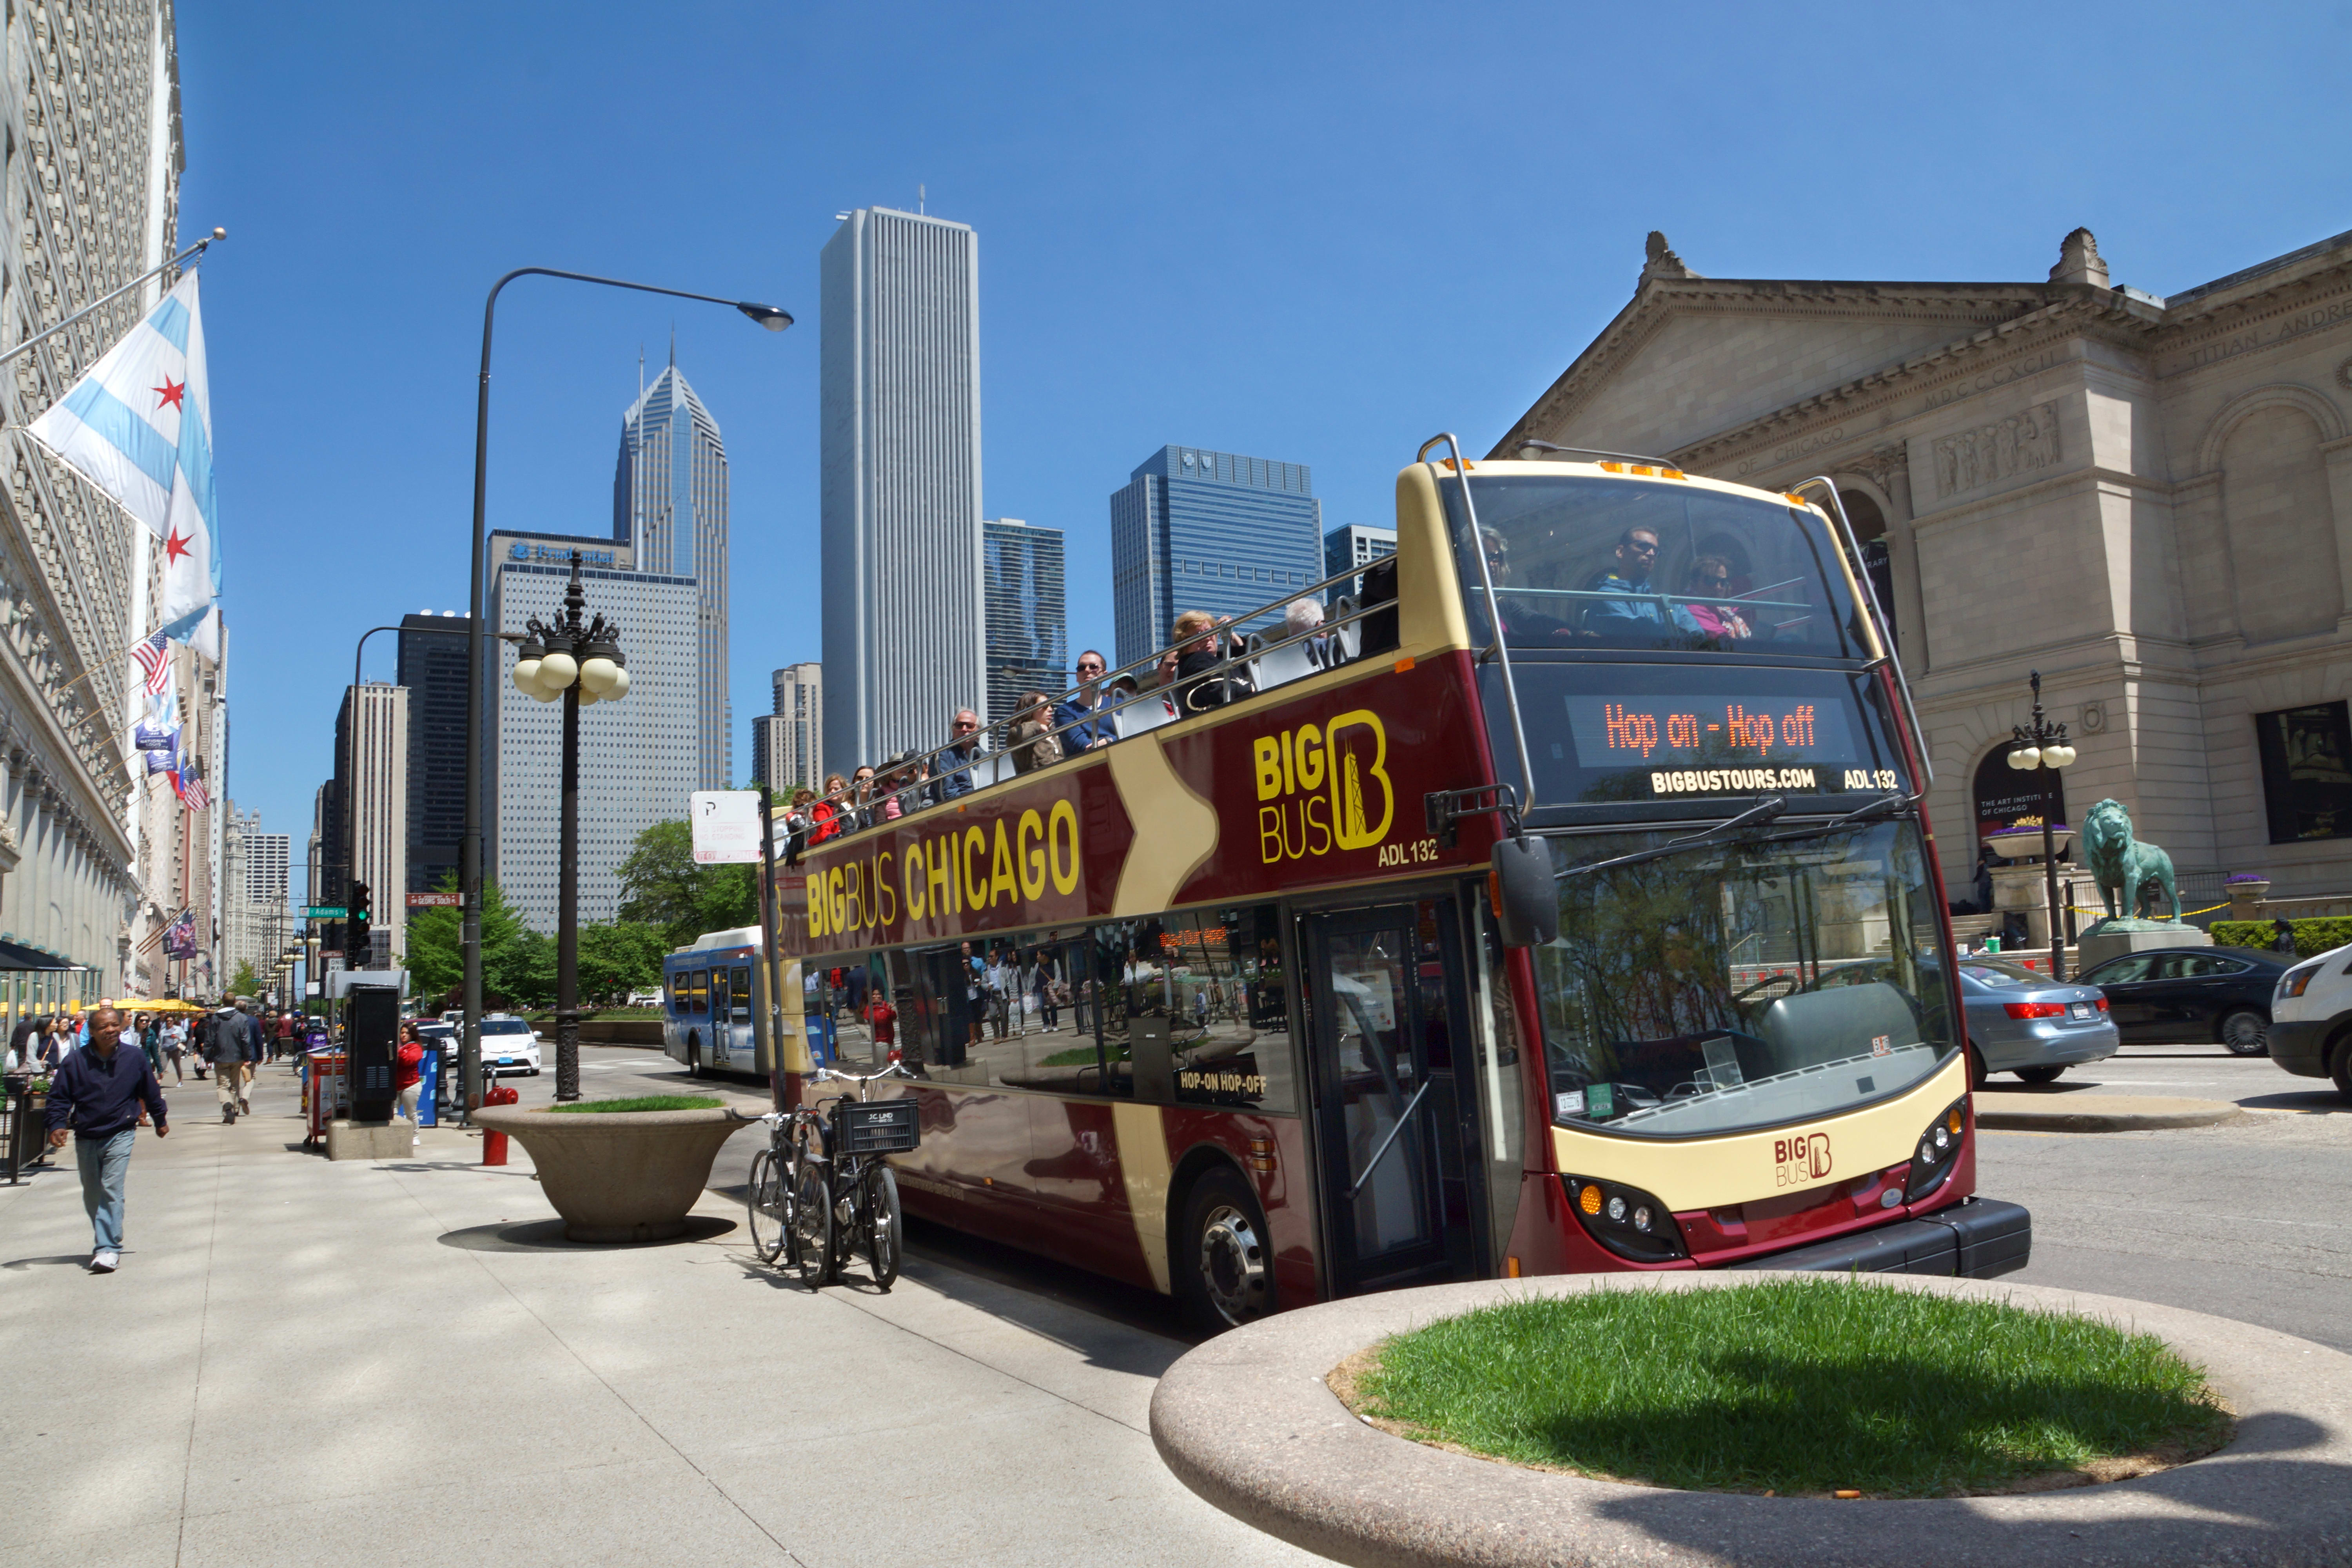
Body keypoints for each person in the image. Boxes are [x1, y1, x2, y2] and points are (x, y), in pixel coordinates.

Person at [43, 1005, 167, 1273]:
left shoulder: (134, 1058)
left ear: (121, 1027)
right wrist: (56, 1124)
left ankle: (107, 1249)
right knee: (92, 1193)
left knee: (111, 1188)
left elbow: (151, 1091)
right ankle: (110, 1232)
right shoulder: (75, 1061)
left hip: (121, 1132)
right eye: (103, 1027)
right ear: (92, 1031)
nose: (110, 1030)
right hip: (87, 1135)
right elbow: (59, 1097)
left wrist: (161, 1119)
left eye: (114, 1025)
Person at [1581, 526, 1698, 637]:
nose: (1651, 554)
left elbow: (1699, 638)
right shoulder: (1606, 598)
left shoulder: (1671, 604)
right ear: (1620, 552)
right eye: (1643, 546)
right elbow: (1641, 636)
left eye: (1656, 551)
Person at [1171, 610, 1251, 713]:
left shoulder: (1220, 661)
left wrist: (1231, 635)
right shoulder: (1196, 660)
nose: (1207, 638)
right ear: (1184, 643)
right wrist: (1252, 690)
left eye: (1210, 631)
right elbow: (1219, 692)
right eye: (1199, 635)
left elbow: (1245, 664)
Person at [1679, 556, 1752, 640]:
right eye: (1711, 581)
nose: (1719, 587)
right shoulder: (1691, 609)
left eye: (1723, 582)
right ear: (1695, 583)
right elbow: (1722, 640)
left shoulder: (1727, 610)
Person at [1054, 652, 1113, 751]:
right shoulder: (1064, 712)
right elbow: (1085, 747)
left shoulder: (1118, 704)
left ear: (1104, 675)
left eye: (1093, 667)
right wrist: (1112, 739)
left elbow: (1133, 733)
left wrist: (1108, 741)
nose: (1087, 670)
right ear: (1077, 676)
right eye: (1081, 668)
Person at [200, 1007, 248, 1123]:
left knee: (223, 1086)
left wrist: (207, 1057)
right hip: (237, 1056)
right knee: (234, 1085)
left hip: (220, 1057)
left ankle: (227, 1107)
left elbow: (210, 1039)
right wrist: (247, 1056)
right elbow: (245, 1039)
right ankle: (233, 1109)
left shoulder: (215, 1018)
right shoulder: (241, 1018)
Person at [933, 710, 984, 802]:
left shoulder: (985, 756)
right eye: (959, 725)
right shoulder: (943, 755)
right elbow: (948, 792)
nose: (964, 729)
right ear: (953, 730)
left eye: (970, 726)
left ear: (979, 731)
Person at [1008, 692, 1062, 774]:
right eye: (1045, 706)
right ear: (1030, 709)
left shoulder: (1056, 733)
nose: (1050, 709)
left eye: (1051, 706)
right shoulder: (1021, 733)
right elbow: (1015, 734)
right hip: (1037, 784)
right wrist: (1038, 726)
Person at [395, 1021, 425, 1149]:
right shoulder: (400, 1047)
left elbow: (409, 1060)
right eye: (402, 1033)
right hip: (396, 1087)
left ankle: (415, 1136)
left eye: (407, 1033)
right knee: (392, 1113)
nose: (404, 1035)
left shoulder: (416, 1048)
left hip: (411, 1086)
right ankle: (397, 1135)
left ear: (412, 1035)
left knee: (410, 1113)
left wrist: (399, 1051)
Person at [160, 1014, 187, 1084]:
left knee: (177, 1066)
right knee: (163, 1067)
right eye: (167, 1021)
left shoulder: (178, 1029)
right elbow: (159, 1040)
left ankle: (180, 1080)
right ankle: (158, 1082)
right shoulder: (163, 1030)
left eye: (171, 1021)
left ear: (173, 1021)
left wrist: (178, 1037)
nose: (169, 1022)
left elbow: (185, 1038)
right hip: (165, 1050)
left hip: (175, 1050)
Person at [137, 1013, 162, 1078]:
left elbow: (155, 1053)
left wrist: (160, 1069)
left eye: (147, 1021)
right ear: (137, 1021)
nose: (144, 1022)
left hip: (145, 1064)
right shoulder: (131, 1032)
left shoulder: (151, 1033)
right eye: (142, 1020)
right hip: (133, 1064)